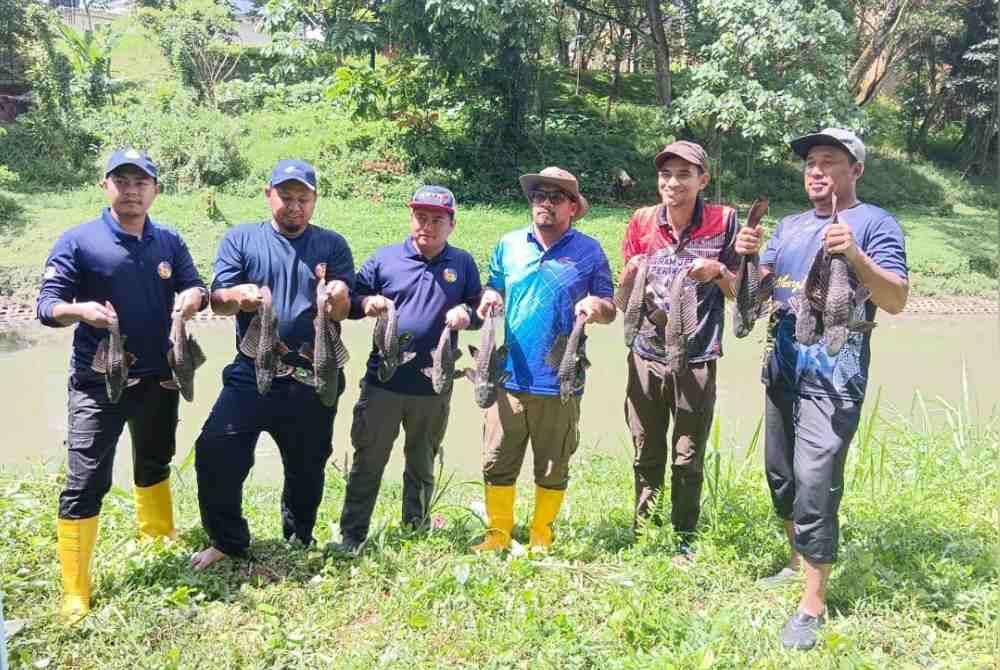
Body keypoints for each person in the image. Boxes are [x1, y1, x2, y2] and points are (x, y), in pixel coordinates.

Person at [739, 128, 908, 650]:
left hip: (835, 377)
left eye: (829, 161)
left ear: (854, 170)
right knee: (782, 476)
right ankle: (796, 563)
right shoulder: (788, 227)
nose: (816, 171)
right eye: (811, 162)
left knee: (816, 484)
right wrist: (741, 259)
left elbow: (897, 298)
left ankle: (813, 604)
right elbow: (753, 295)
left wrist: (855, 255)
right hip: (782, 368)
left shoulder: (875, 222)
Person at [37, 149, 208, 622]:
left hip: (159, 377)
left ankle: (156, 537)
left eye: (141, 182)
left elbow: (195, 286)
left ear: (155, 189)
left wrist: (191, 299)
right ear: (105, 186)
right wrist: (80, 310)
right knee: (86, 478)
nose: (132, 190)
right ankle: (75, 588)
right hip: (98, 381)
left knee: (155, 459)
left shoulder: (168, 241)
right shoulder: (79, 241)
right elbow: (46, 305)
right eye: (122, 180)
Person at [190, 159, 354, 570]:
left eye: (303, 198)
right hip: (253, 365)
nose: (294, 206)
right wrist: (238, 296)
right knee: (215, 449)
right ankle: (227, 539)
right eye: (286, 197)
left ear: (314, 201)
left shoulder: (332, 245)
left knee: (308, 464)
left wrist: (335, 296)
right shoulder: (242, 238)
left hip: (312, 371)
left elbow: (343, 309)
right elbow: (218, 300)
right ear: (269, 195)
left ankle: (299, 536)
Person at [474, 167, 616, 553]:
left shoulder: (589, 251)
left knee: (553, 465)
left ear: (572, 206)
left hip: (560, 377)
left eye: (555, 198)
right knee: (497, 459)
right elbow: (494, 285)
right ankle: (498, 533)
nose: (545, 204)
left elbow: (610, 306)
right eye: (539, 196)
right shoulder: (508, 245)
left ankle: (542, 533)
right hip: (507, 375)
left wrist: (595, 306)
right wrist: (489, 297)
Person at [333, 186, 482, 553]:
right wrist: (367, 302)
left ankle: (414, 529)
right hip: (383, 383)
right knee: (368, 461)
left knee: (422, 463)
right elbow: (349, 302)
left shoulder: (461, 263)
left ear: (452, 224)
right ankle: (352, 535)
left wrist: (468, 313)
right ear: (410, 217)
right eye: (420, 217)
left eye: (437, 220)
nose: (427, 226)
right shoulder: (384, 259)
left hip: (434, 386)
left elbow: (479, 310)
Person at [617, 141, 744, 561]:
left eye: (684, 175)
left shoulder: (725, 221)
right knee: (645, 448)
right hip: (646, 352)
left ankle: (684, 537)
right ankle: (644, 531)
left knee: (687, 453)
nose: (673, 183)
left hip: (698, 354)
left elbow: (740, 292)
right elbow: (623, 301)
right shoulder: (641, 221)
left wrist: (718, 270)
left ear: (702, 180)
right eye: (666, 174)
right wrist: (630, 275)